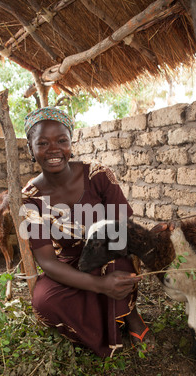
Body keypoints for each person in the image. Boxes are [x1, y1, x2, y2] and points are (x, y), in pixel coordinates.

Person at [21, 106, 155, 358]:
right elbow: (47, 261)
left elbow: (122, 227)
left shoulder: (97, 175)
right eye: (43, 143)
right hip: (70, 263)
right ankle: (101, 325)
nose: (54, 149)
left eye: (62, 140)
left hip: (108, 251)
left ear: (71, 143)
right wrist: (98, 284)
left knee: (118, 257)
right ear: (30, 148)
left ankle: (131, 316)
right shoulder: (31, 198)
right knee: (44, 301)